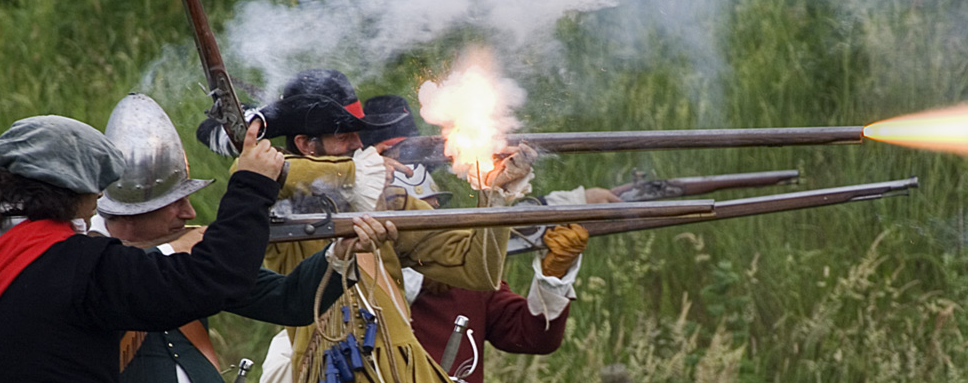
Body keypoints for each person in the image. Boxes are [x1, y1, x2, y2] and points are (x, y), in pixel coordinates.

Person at [200, 70, 528, 383]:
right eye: (344, 136)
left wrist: (494, 195)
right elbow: (258, 171)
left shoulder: (387, 199)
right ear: (306, 145)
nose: (359, 145)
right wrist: (353, 176)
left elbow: (478, 271)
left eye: (358, 135)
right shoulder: (278, 202)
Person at [90, 93, 392, 383]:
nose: (190, 213)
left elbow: (289, 301)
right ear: (136, 212)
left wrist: (340, 252)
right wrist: (172, 249)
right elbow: (134, 278)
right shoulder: (87, 264)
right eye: (175, 203)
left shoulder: (193, 264)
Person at [0, 114, 282, 382]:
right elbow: (212, 279)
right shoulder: (85, 266)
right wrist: (252, 184)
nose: (99, 196)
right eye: (96, 186)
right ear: (75, 189)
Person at [359, 95, 596, 383]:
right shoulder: (348, 268)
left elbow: (532, 337)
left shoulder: (464, 271)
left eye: (430, 210)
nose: (427, 218)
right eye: (416, 212)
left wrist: (553, 275)